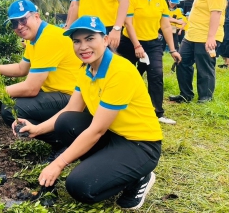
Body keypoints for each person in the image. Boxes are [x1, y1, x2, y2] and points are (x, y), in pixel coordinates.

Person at [13, 16, 162, 210]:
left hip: (141, 145)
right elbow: (70, 109)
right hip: (114, 134)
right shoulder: (87, 70)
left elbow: (96, 131)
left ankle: (139, 177)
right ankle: (107, 165)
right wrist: (36, 129)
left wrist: (58, 164)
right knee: (66, 121)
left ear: (106, 40)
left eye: (90, 39)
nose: (83, 47)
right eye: (77, 41)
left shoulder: (119, 71)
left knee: (80, 187)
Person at [0, 0, 82, 155]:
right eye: (14, 23)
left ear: (36, 16)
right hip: (58, 94)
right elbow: (21, 68)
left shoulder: (49, 38)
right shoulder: (35, 38)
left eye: (23, 19)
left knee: (11, 109)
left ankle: (66, 143)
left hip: (72, 98)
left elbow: (31, 89)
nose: (19, 26)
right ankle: (63, 139)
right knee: (13, 105)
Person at [116, 0, 181, 125]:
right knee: (126, 75)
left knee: (156, 75)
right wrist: (137, 45)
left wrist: (172, 49)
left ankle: (157, 113)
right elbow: (128, 24)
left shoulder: (161, 1)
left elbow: (165, 26)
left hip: (153, 44)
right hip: (129, 43)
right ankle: (120, 108)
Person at [169, 0, 227, 104]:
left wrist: (211, 37)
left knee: (204, 68)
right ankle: (185, 94)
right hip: (192, 35)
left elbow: (216, 12)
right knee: (182, 62)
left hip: (205, 36)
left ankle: (205, 99)